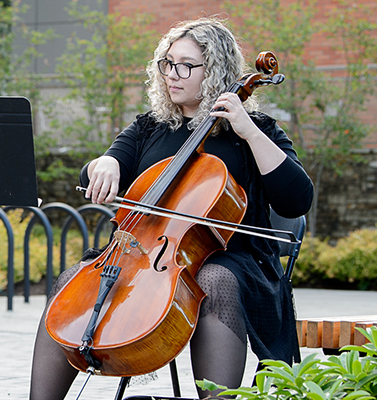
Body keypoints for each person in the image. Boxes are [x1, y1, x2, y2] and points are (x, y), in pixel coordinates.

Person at [29, 18, 313, 400]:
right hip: (143, 254)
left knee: (213, 281)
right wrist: (106, 164)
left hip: (235, 260)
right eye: (166, 63)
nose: (171, 75)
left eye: (185, 66)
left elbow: (296, 199)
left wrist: (247, 130)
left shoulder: (255, 129)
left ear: (214, 71)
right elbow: (102, 166)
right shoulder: (150, 127)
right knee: (71, 281)